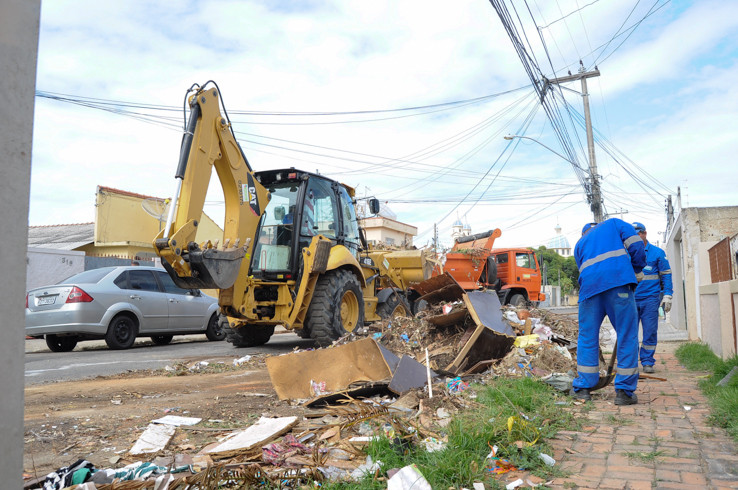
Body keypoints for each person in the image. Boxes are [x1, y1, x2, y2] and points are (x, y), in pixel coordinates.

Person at [571, 218, 646, 405]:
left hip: (589, 290)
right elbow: (636, 244)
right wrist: (636, 269)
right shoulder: (613, 224)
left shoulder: (580, 244)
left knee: (587, 337)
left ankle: (583, 388)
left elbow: (583, 270)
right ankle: (624, 392)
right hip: (618, 284)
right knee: (626, 335)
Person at [632, 222, 673, 374]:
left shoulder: (657, 253)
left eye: (638, 234)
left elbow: (666, 275)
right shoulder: (626, 254)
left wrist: (668, 294)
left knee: (650, 331)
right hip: (631, 299)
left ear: (644, 233)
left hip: (650, 299)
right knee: (630, 333)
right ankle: (631, 362)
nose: (636, 237)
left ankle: (647, 361)